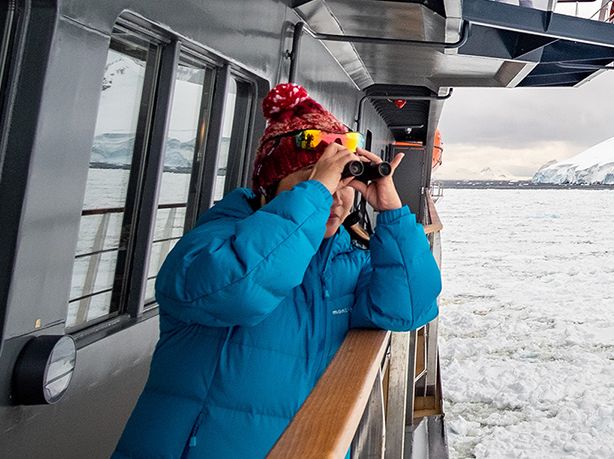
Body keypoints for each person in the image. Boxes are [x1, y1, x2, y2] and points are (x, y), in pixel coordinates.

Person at [111, 83, 442, 459]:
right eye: (314, 182)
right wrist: (316, 192)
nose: (335, 196)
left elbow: (409, 309)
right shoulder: (211, 243)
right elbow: (240, 290)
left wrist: (393, 213)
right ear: (271, 186)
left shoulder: (346, 259)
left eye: (345, 182)